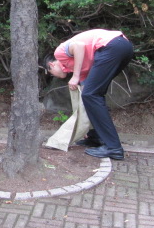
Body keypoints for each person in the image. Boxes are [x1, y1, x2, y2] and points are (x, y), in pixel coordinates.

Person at [40, 29, 134, 160]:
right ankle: (95, 137)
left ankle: (114, 148)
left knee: (91, 95)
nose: (53, 76)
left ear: (51, 65)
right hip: (123, 47)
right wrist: (83, 127)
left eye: (51, 73)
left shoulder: (59, 53)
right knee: (92, 96)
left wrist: (76, 76)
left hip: (112, 46)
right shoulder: (81, 66)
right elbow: (86, 97)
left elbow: (79, 46)